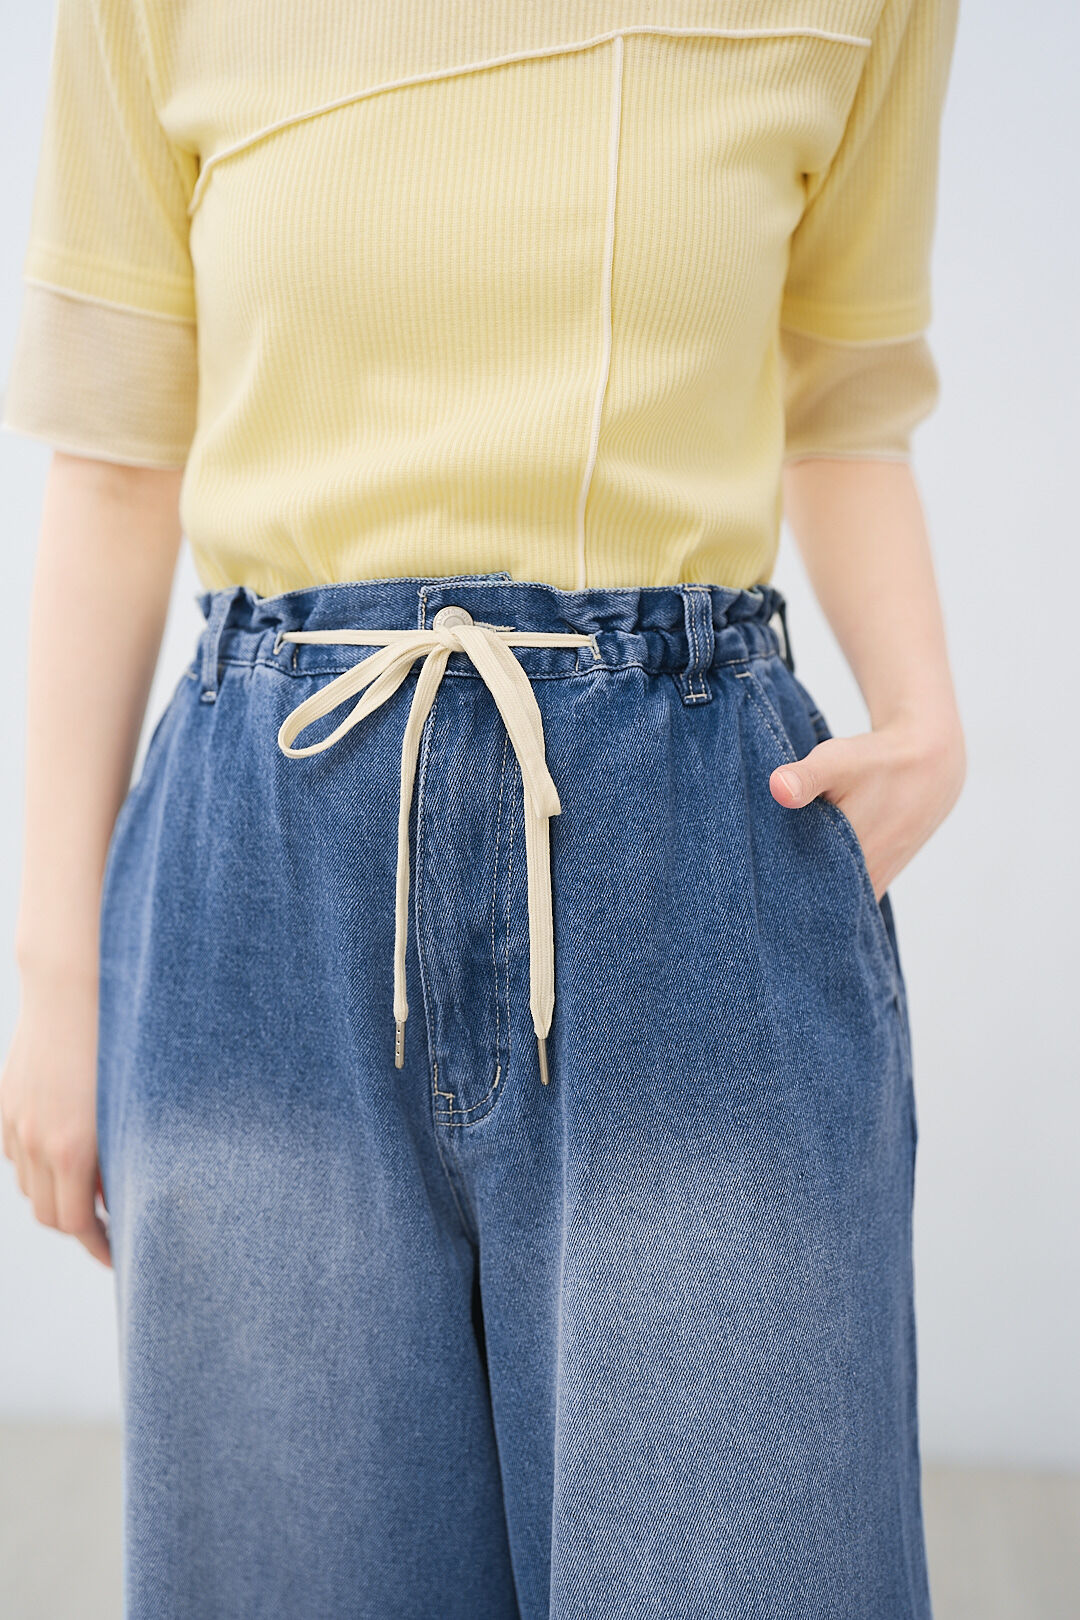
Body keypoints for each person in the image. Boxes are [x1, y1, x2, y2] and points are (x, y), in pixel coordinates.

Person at [0, 1, 966, 1615]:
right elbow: (113, 453)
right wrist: (52, 980)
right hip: (266, 880)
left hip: (688, 856)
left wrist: (926, 715)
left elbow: (848, 392)